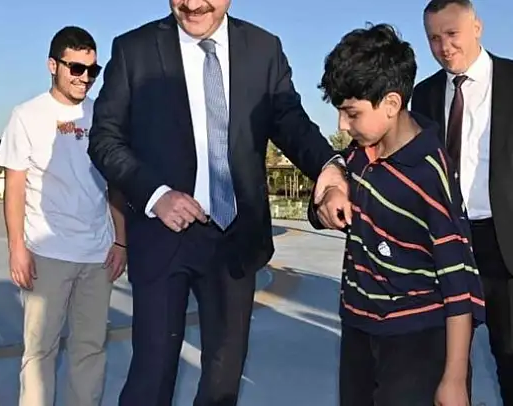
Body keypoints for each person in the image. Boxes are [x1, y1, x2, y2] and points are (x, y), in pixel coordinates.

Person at [86, 1, 350, 405]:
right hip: (162, 235)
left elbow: (290, 122)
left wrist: (328, 166)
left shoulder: (263, 49)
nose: (192, 5)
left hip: (234, 239)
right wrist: (156, 195)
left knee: (223, 382)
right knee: (151, 376)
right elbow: (105, 139)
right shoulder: (134, 50)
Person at [411, 1, 513, 405]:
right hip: (445, 244)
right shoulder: (425, 94)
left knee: (512, 353)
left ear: (477, 27)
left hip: (509, 247)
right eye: (434, 38)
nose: (444, 47)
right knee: (447, 359)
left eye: (452, 34)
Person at [309, 23, 485, 406]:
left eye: (351, 113)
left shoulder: (428, 173)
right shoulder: (358, 155)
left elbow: (459, 281)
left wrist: (455, 377)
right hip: (358, 328)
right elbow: (326, 199)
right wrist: (332, 191)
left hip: (416, 341)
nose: (342, 125)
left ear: (391, 104)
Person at [0, 26, 127, 406]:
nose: (84, 77)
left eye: (92, 70)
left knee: (90, 349)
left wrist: (121, 241)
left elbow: (117, 184)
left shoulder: (103, 116)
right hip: (46, 254)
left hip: (97, 255)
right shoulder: (27, 116)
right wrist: (17, 248)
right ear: (53, 65)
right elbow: (15, 187)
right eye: (76, 68)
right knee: (39, 352)